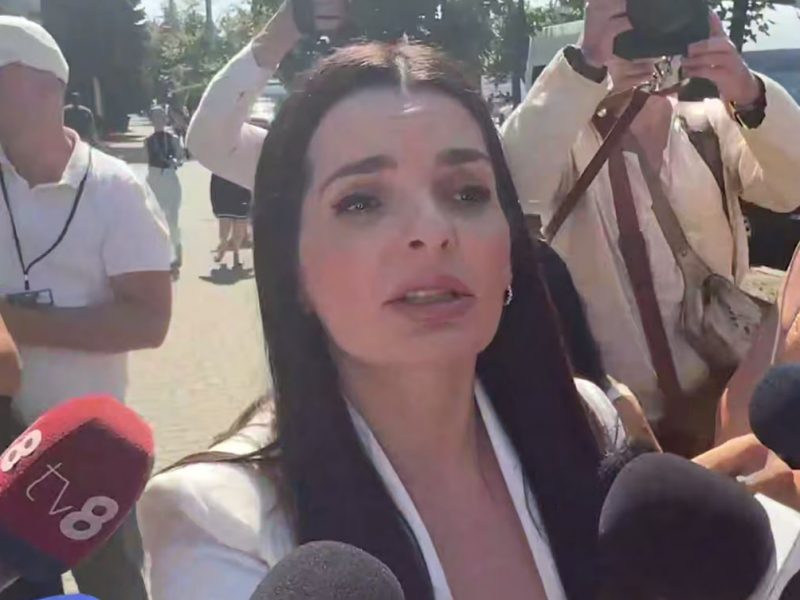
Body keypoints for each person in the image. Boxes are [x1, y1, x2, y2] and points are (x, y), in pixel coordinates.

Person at [140, 5, 637, 596]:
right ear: (292, 268)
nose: (432, 230)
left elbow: (529, 145)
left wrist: (590, 59)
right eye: (362, 202)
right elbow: (211, 137)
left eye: (467, 193)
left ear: (510, 252)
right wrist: (286, 27)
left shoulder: (585, 423)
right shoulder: (221, 523)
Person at [501, 0, 800, 454]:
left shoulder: (710, 127)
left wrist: (749, 93)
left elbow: (791, 187)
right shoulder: (566, 143)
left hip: (728, 409)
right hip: (625, 433)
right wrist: (586, 66)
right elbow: (510, 187)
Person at [0, 16, 172, 600]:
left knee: (118, 589)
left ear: (48, 86)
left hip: (91, 460)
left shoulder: (116, 190)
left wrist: (13, 323)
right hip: (2, 453)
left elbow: (149, 322)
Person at [146, 106, 184, 277]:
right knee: (156, 218)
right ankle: (161, 253)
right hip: (154, 179)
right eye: (156, 117)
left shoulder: (172, 139)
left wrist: (175, 160)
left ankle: (177, 251)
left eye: (161, 117)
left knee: (172, 217)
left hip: (169, 178)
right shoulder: (148, 141)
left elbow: (180, 157)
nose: (159, 120)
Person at [210, 173, 251, 268]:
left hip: (226, 194)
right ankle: (233, 254)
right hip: (238, 194)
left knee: (228, 230)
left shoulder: (219, 168)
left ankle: (225, 250)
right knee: (236, 230)